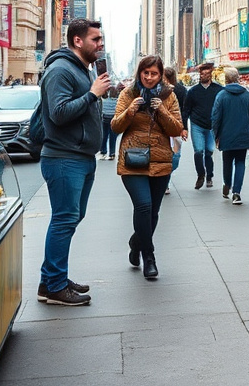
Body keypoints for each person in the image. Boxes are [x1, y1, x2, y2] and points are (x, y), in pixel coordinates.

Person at [37, 18, 110, 306]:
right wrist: (92, 94)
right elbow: (58, 113)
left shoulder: (81, 69)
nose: (100, 44)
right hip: (64, 158)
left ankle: (51, 279)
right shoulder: (60, 70)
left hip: (81, 156)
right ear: (78, 41)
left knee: (71, 218)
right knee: (64, 219)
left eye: (101, 39)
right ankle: (54, 286)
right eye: (95, 39)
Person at [112, 55, 183, 278]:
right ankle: (149, 257)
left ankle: (136, 243)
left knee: (153, 212)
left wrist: (161, 109)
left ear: (161, 74)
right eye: (146, 73)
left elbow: (176, 129)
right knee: (143, 206)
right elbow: (115, 126)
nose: (150, 78)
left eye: (154, 74)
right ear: (139, 73)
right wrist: (131, 110)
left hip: (161, 160)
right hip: (133, 160)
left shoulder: (169, 96)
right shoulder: (128, 93)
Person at [210, 67, 249, 203]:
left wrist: (216, 135)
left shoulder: (221, 95)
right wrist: (245, 122)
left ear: (226, 79)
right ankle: (237, 192)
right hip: (243, 134)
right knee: (241, 162)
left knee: (227, 161)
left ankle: (227, 184)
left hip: (226, 135)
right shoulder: (247, 95)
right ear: (238, 78)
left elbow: (215, 117)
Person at [183, 62, 223, 190]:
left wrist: (221, 129)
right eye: (202, 73)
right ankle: (201, 174)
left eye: (207, 73)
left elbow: (223, 110)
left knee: (209, 152)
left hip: (212, 126)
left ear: (211, 74)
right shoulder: (193, 91)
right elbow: (186, 110)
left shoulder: (219, 90)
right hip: (197, 125)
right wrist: (184, 127)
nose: (204, 75)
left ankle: (209, 176)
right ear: (199, 75)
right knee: (198, 151)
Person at [100, 87, 120, 161]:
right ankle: (112, 153)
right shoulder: (117, 101)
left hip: (105, 119)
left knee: (104, 136)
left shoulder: (104, 100)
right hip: (113, 119)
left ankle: (103, 152)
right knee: (113, 137)